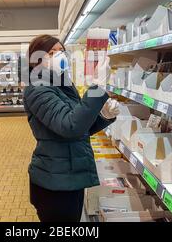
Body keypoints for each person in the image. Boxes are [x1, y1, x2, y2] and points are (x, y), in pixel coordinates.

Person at [23, 34, 120, 222]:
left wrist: (103, 116)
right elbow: (70, 127)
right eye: (51, 52)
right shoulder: (37, 88)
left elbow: (80, 129)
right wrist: (97, 89)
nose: (59, 56)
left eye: (61, 51)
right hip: (54, 183)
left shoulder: (62, 85)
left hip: (68, 176)